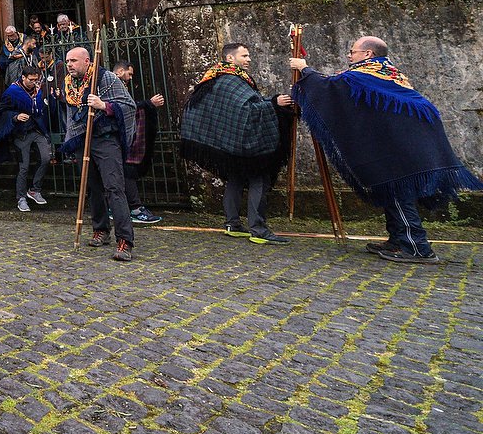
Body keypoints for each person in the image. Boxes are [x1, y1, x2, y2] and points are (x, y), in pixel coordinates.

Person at [290, 37, 482, 264]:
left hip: (401, 147)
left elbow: (332, 86)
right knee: (391, 190)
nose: (349, 56)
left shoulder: (364, 74)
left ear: (368, 54)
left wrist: (305, 69)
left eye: (352, 52)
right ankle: (397, 239)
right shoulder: (387, 73)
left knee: (399, 191)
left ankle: (417, 247)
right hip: (403, 143)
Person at [180, 43, 293, 245]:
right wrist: (275, 104)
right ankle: (258, 230)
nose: (249, 59)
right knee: (259, 178)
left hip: (230, 142)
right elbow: (247, 110)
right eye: (245, 55)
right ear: (230, 59)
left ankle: (233, 224)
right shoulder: (232, 79)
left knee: (236, 178)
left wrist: (272, 101)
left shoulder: (215, 77)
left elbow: (241, 108)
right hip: (244, 143)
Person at [61, 47, 137, 261]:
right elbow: (71, 114)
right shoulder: (69, 84)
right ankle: (101, 229)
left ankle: (125, 240)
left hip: (105, 139)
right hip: (82, 140)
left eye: (74, 61)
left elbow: (128, 105)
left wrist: (104, 105)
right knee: (92, 187)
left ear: (87, 61)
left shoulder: (106, 78)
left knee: (114, 187)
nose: (69, 65)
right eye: (67, 61)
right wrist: (72, 138)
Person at [0, 66, 51, 213]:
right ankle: (21, 198)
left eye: (36, 80)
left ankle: (35, 189)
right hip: (21, 133)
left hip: (36, 129)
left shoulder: (38, 91)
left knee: (46, 157)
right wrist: (15, 117)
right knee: (24, 166)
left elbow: (42, 109)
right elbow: (1, 111)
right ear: (23, 78)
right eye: (31, 80)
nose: (34, 83)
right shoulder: (12, 92)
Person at [111, 61, 165, 225]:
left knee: (126, 171)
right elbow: (122, 107)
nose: (131, 77)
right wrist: (148, 104)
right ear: (120, 71)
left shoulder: (119, 84)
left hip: (122, 135)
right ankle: (134, 207)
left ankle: (126, 207)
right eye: (130, 73)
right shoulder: (113, 84)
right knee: (127, 170)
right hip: (116, 136)